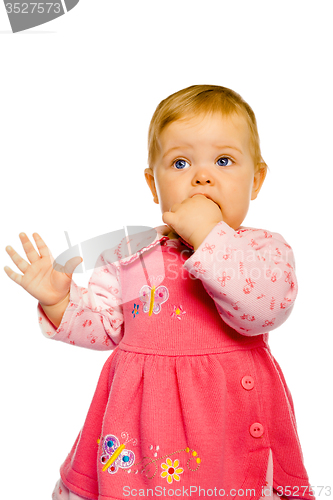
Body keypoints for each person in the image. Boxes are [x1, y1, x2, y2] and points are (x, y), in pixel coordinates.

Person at [4, 85, 313, 500]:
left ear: (255, 180)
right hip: (144, 425)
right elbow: (106, 328)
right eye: (180, 162)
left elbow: (262, 311)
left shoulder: (262, 249)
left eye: (224, 161)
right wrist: (59, 300)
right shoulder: (132, 253)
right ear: (153, 185)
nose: (202, 177)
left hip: (227, 425)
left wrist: (207, 235)